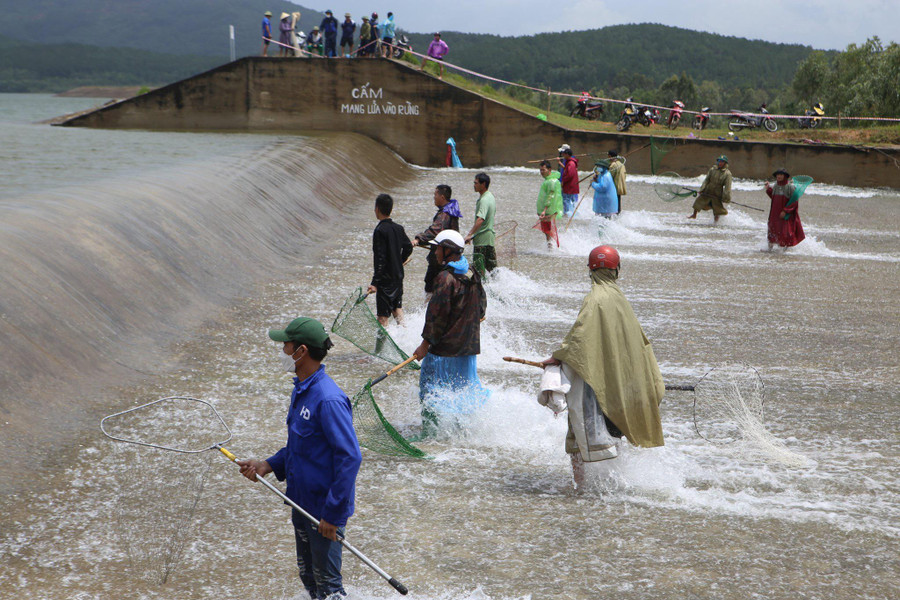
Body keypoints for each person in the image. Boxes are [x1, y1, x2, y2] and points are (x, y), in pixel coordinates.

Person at [237, 317, 362, 600]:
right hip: (301, 502)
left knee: (329, 588)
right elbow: (301, 447)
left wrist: (332, 515)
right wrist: (267, 465)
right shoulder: (302, 389)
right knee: (309, 579)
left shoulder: (328, 399)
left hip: (323, 511)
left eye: (286, 345)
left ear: (301, 351)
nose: (282, 351)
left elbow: (350, 458)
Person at [541, 246, 665, 489]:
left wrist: (557, 357)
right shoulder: (620, 298)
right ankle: (618, 484)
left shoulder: (594, 298)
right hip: (619, 378)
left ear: (590, 270)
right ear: (617, 270)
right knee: (615, 426)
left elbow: (579, 337)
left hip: (594, 379)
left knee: (577, 433)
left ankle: (580, 488)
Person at [412, 230, 488, 436]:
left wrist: (424, 346)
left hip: (443, 352)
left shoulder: (445, 278)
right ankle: (461, 434)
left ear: (448, 250)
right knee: (460, 393)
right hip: (467, 350)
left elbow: (436, 316)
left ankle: (432, 437)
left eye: (437, 248)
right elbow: (482, 308)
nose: (435, 252)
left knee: (431, 392)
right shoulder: (471, 271)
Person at [367, 193, 413, 325]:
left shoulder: (380, 230)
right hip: (398, 277)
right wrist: (399, 261)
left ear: (377, 209)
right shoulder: (398, 228)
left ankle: (383, 340)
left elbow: (380, 259)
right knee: (397, 309)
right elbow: (408, 247)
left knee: (382, 317)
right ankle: (406, 334)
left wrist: (375, 283)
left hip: (385, 280)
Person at [414, 184, 462, 296]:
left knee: (431, 287)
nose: (434, 197)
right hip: (451, 256)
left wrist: (418, 239)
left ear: (442, 197)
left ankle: (430, 306)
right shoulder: (451, 209)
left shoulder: (444, 214)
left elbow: (435, 231)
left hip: (440, 258)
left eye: (435, 194)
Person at [765, 168, 805, 249]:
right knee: (772, 231)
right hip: (774, 214)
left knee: (785, 233)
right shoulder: (775, 186)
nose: (779, 176)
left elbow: (794, 202)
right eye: (777, 175)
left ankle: (785, 251)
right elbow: (774, 198)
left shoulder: (790, 187)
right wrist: (768, 189)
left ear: (785, 176)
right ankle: (769, 250)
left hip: (785, 215)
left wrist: (785, 211)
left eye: (781, 174)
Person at [464, 172, 497, 273]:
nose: (474, 185)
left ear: (483, 184)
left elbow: (480, 219)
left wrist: (469, 235)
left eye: (476, 183)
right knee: (492, 271)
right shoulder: (490, 196)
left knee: (479, 271)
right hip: (489, 239)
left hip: (482, 241)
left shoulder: (484, 200)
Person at [688, 155, 732, 222]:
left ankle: (716, 222)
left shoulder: (727, 174)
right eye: (719, 161)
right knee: (698, 202)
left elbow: (727, 187)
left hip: (717, 193)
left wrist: (726, 197)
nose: (720, 163)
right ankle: (694, 215)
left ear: (725, 163)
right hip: (708, 190)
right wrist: (702, 189)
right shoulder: (712, 170)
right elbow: (706, 180)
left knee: (717, 209)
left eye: (722, 162)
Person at [536, 159, 563, 248]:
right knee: (547, 230)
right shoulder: (549, 180)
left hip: (548, 210)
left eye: (543, 170)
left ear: (549, 169)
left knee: (547, 230)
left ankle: (551, 247)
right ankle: (551, 246)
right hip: (548, 210)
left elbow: (550, 196)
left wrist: (544, 210)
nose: (542, 172)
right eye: (540, 170)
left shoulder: (551, 181)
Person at [559, 146, 579, 216]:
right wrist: (560, 163)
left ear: (567, 154)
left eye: (564, 154)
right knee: (570, 200)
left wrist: (563, 181)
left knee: (566, 200)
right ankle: (570, 213)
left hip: (569, 186)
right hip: (571, 186)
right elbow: (567, 170)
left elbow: (569, 175)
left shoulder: (571, 163)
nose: (563, 155)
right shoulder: (570, 162)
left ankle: (566, 214)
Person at [607, 149, 626, 214]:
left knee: (612, 205)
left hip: (614, 187)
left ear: (609, 156)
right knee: (618, 205)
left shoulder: (613, 165)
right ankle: (618, 216)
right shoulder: (621, 164)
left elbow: (609, 177)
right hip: (620, 187)